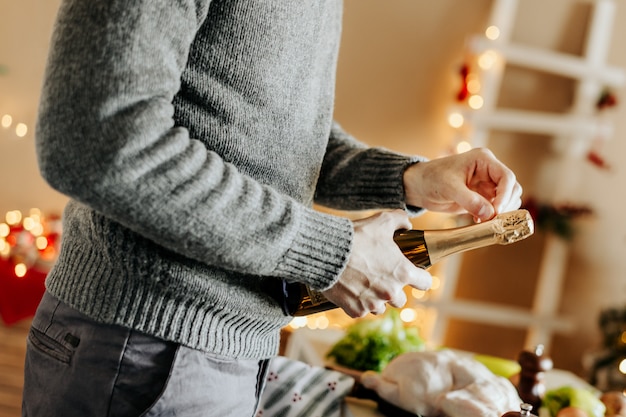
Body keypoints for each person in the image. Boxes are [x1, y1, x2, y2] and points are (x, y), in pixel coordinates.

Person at [22, 1, 523, 416]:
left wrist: (409, 179)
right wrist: (330, 254)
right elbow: (95, 140)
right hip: (141, 350)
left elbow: (274, 141)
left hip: (230, 353)